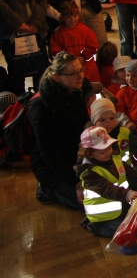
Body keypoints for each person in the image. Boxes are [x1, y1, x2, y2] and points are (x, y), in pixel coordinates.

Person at [29, 52, 93, 210]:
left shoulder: (76, 90)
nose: (80, 76)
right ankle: (47, 189)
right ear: (57, 77)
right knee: (93, 203)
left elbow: (83, 127)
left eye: (81, 70)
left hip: (74, 157)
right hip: (52, 168)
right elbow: (48, 153)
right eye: (73, 73)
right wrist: (75, 182)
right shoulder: (40, 106)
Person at [75, 126, 137, 237]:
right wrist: (127, 194)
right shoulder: (88, 173)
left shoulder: (113, 158)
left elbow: (128, 171)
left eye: (108, 148)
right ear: (89, 153)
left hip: (122, 206)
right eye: (103, 152)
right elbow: (107, 189)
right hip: (103, 218)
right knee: (128, 234)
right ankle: (93, 226)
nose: (108, 152)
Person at [49, 1, 101, 83]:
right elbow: (55, 51)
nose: (72, 19)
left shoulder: (85, 30)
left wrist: (83, 57)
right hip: (68, 70)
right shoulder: (58, 33)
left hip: (87, 68)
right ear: (63, 17)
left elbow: (93, 46)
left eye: (75, 16)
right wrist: (67, 61)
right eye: (68, 16)